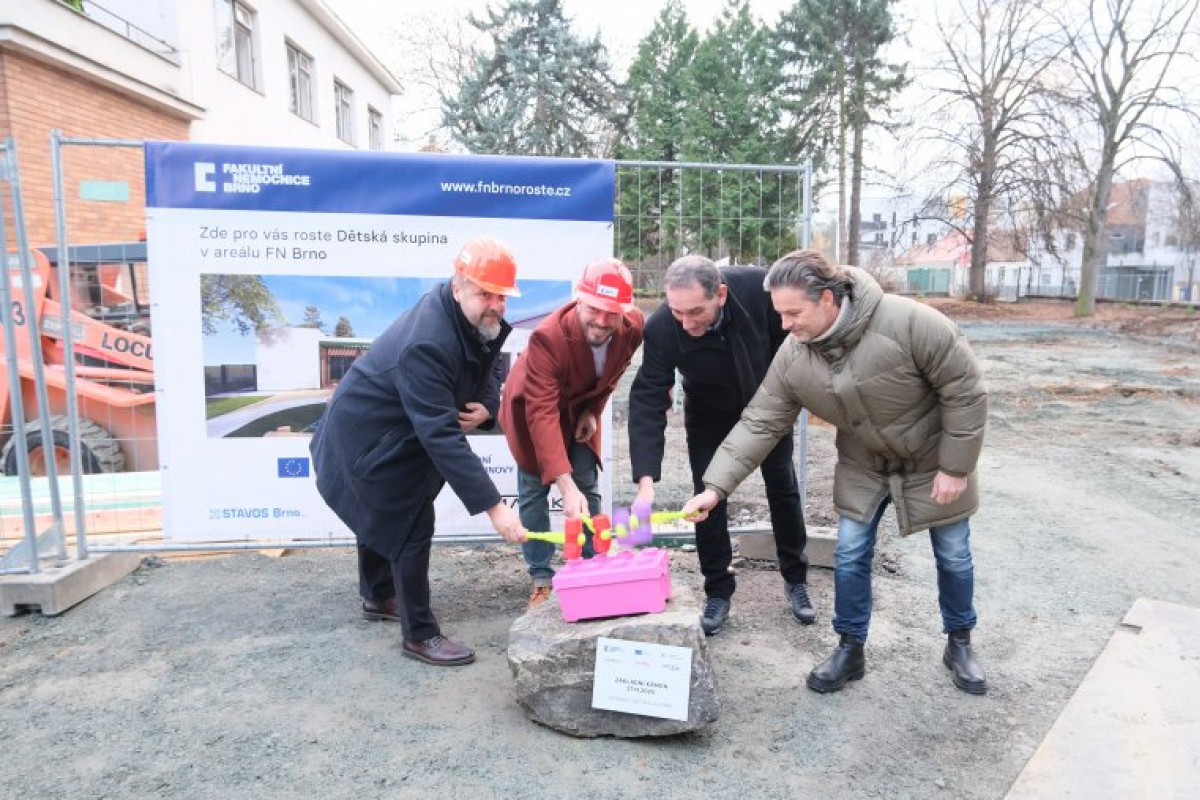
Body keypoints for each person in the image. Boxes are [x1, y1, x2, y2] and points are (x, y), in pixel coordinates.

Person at [683, 249, 989, 695]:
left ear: (827, 299)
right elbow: (761, 421)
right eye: (779, 314)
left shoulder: (912, 323)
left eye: (793, 313)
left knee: (954, 554)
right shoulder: (795, 354)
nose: (784, 325)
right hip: (863, 462)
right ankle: (850, 648)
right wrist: (714, 488)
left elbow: (965, 391)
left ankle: (959, 641)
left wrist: (955, 467)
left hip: (932, 458)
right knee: (849, 554)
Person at [310, 236, 527, 668]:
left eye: (502, 295)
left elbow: (485, 366)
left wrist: (487, 409)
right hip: (363, 439)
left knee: (385, 512)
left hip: (387, 432)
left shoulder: (470, 319)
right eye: (485, 293)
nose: (495, 305)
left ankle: (377, 596)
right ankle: (420, 635)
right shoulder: (429, 341)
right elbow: (441, 436)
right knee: (407, 519)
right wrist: (494, 507)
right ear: (458, 285)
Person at [628, 255, 815, 636]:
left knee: (782, 488)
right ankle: (717, 589)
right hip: (708, 411)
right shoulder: (664, 327)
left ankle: (796, 579)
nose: (687, 322)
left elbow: (795, 348)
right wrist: (645, 482)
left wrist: (784, 404)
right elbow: (648, 397)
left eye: (696, 311)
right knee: (707, 499)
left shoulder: (762, 292)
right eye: (678, 311)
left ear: (722, 295)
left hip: (766, 407)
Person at [499, 258, 645, 608]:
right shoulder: (548, 339)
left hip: (577, 408)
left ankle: (594, 563)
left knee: (587, 486)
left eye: (612, 312)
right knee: (535, 489)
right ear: (580, 299)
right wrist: (564, 485)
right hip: (533, 410)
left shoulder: (633, 327)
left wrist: (592, 411)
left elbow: (611, 375)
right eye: (594, 309)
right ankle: (540, 576)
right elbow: (542, 412)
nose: (602, 321)